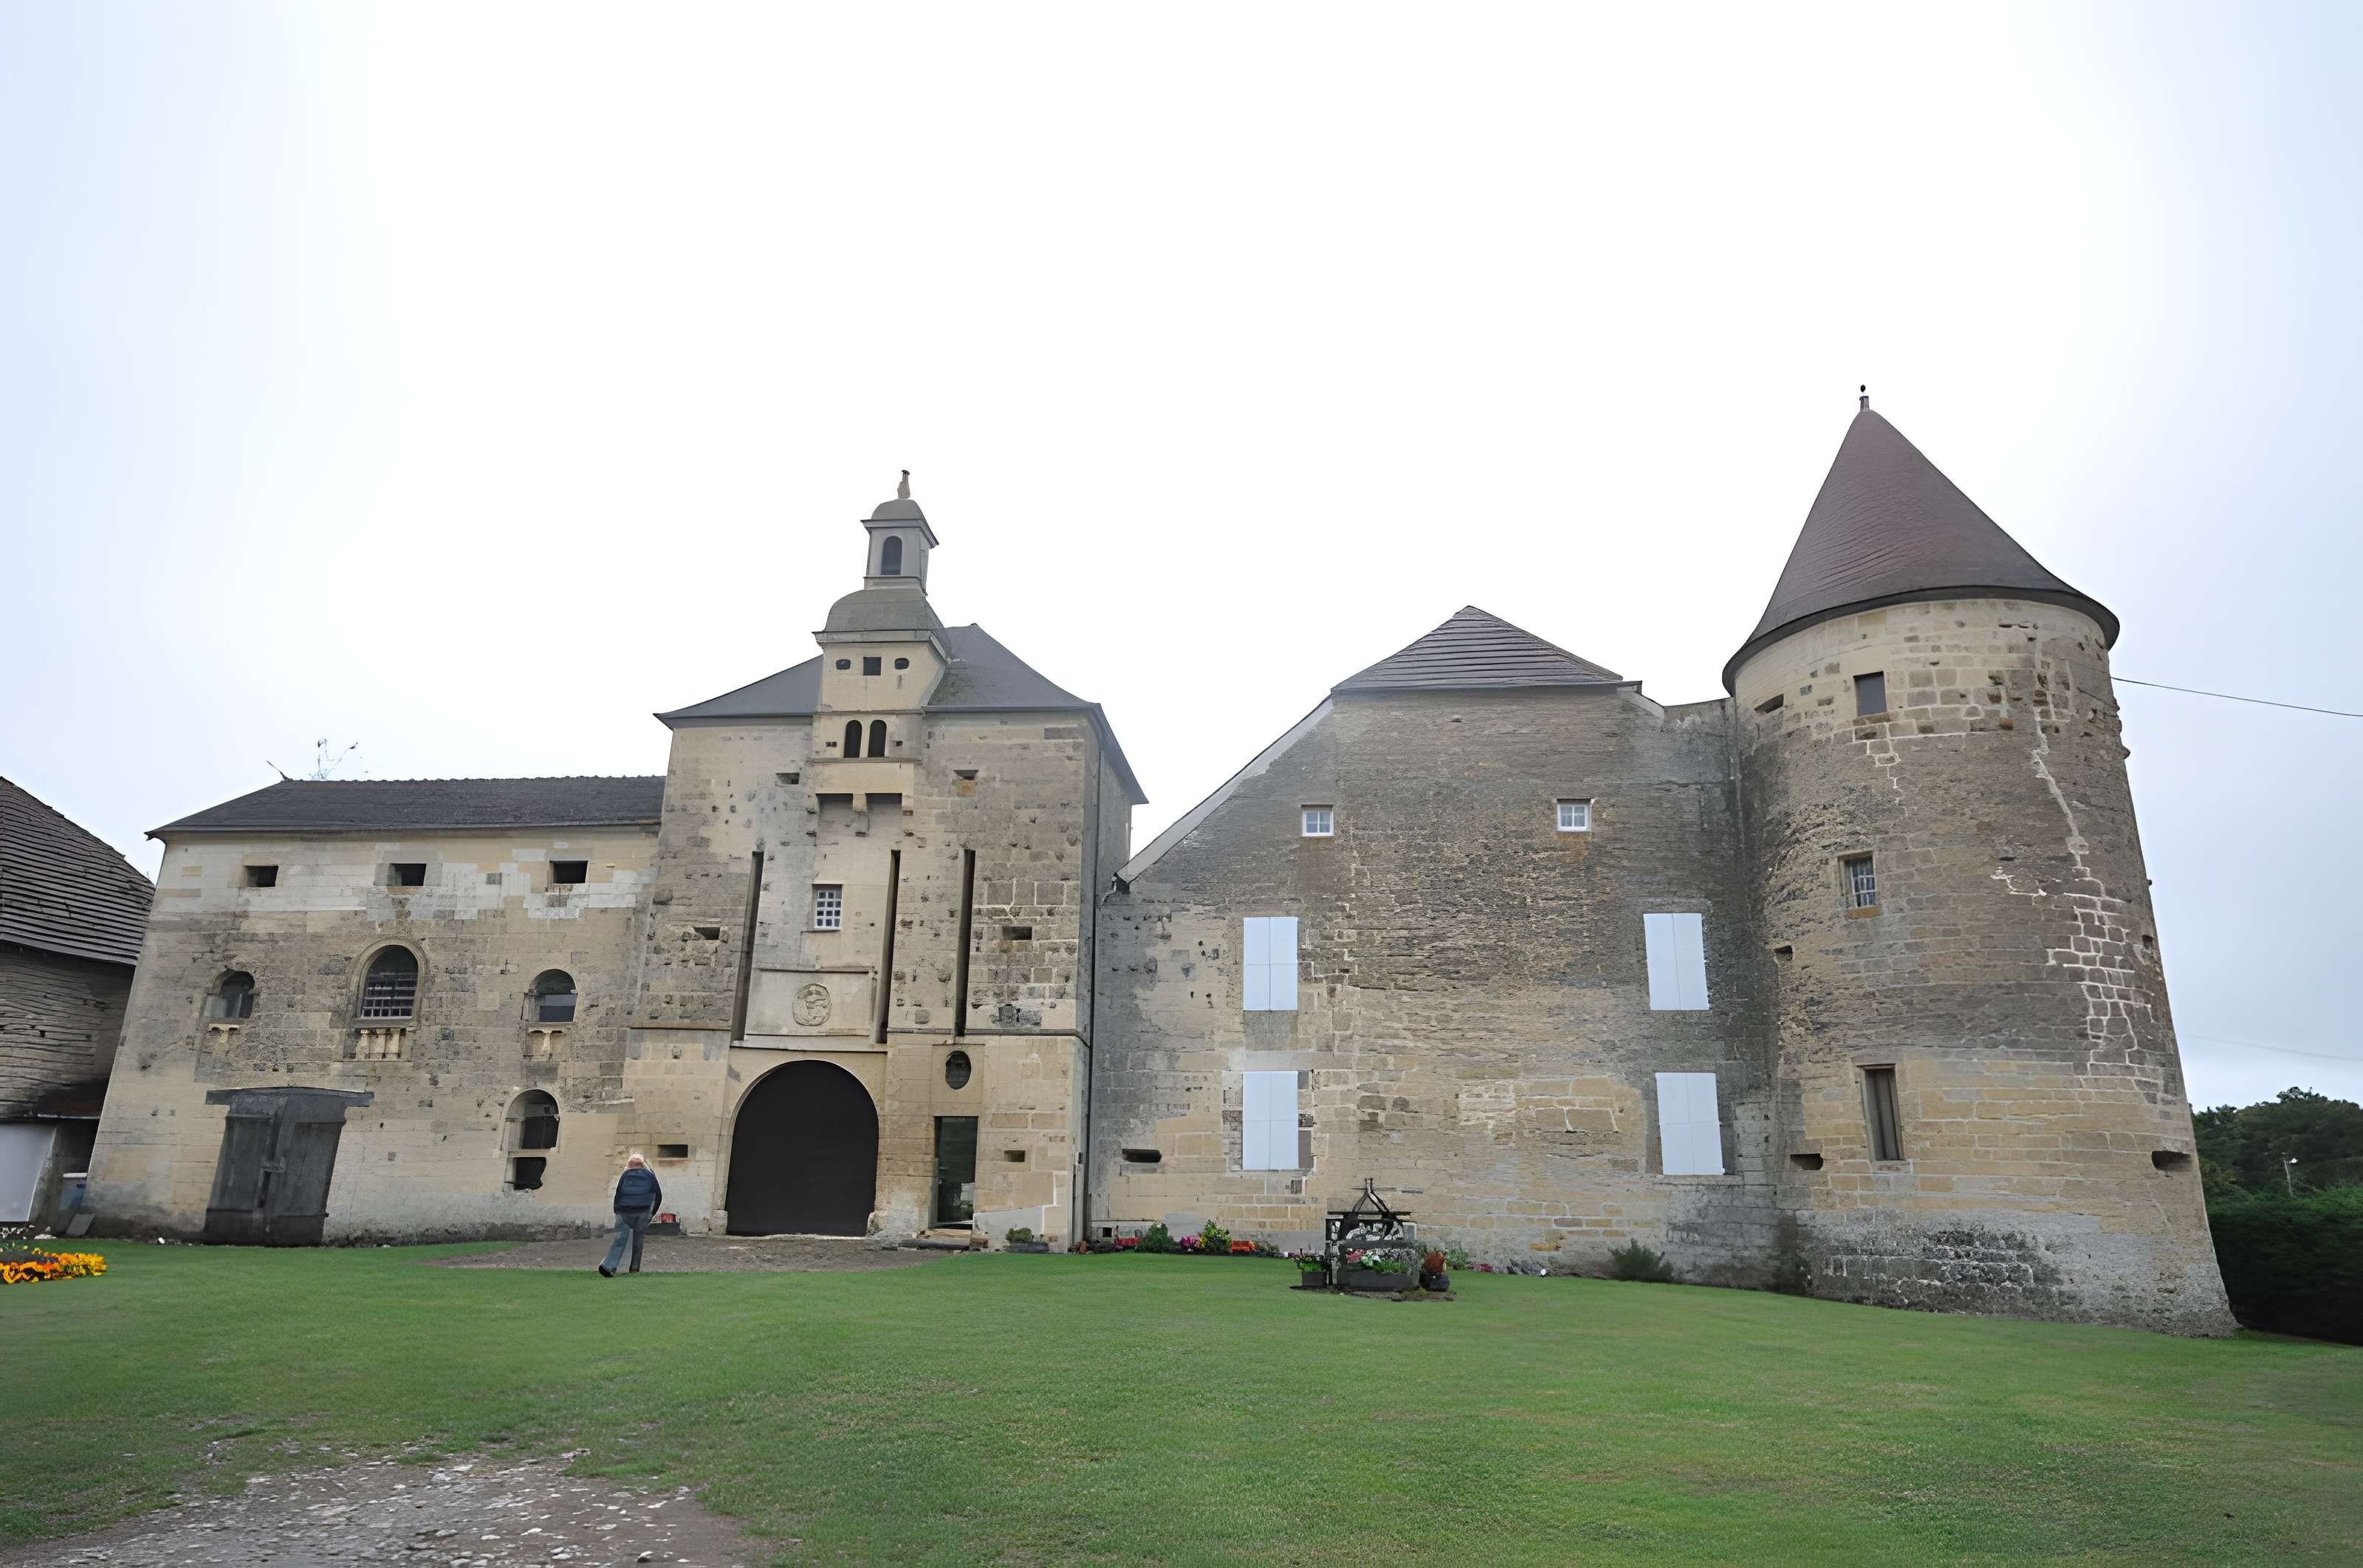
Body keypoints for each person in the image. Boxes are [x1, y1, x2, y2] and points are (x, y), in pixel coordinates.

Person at [598, 1152, 662, 1277]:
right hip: (643, 1212)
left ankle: (609, 1266)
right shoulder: (650, 1175)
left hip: (624, 1211)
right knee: (638, 1242)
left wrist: (617, 1211)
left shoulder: (625, 1174)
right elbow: (658, 1196)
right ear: (643, 1163)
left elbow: (618, 1194)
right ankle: (634, 1268)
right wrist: (651, 1214)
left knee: (620, 1240)